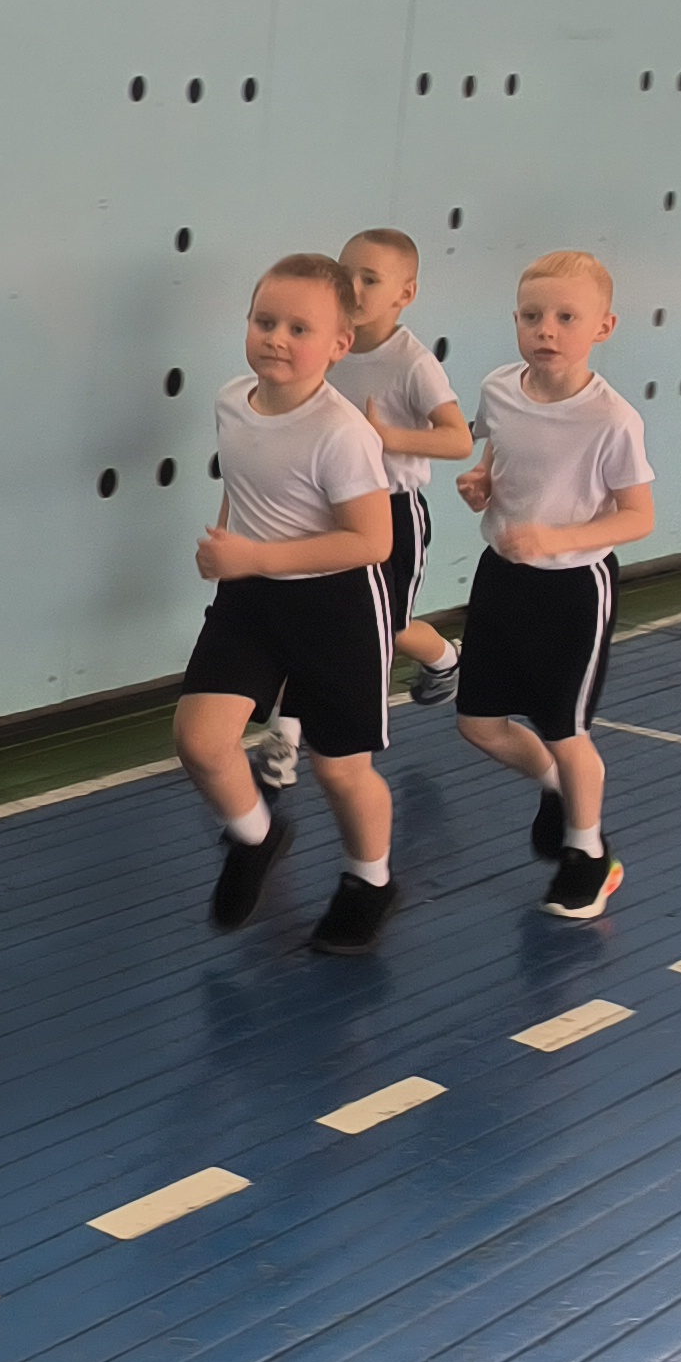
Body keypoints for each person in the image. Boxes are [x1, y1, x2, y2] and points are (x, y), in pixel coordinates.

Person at [178, 255, 401, 953]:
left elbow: (372, 542)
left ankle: (369, 880)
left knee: (341, 769)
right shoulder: (231, 401)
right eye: (264, 321)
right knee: (200, 740)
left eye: (299, 328)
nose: (276, 337)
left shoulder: (342, 433)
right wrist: (229, 542)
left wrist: (255, 558)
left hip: (335, 609)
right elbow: (246, 484)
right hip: (250, 600)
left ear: (339, 344)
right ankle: (255, 835)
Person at [452, 253, 656, 918]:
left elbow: (639, 517)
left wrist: (555, 538)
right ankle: (555, 786)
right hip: (501, 577)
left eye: (568, 317)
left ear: (604, 327)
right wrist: (481, 483)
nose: (547, 329)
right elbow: (498, 456)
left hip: (574, 589)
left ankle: (587, 853)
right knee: (478, 723)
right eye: (533, 315)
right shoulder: (498, 390)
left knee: (566, 731)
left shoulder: (613, 419)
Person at [335, 228, 473, 707]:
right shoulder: (326, 345)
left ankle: (446, 659)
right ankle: (289, 731)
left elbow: (459, 439)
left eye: (370, 279)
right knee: (318, 617)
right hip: (331, 509)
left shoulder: (413, 363)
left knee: (387, 624)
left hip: (392, 511)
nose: (353, 288)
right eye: (345, 275)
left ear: (405, 294)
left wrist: (389, 438)